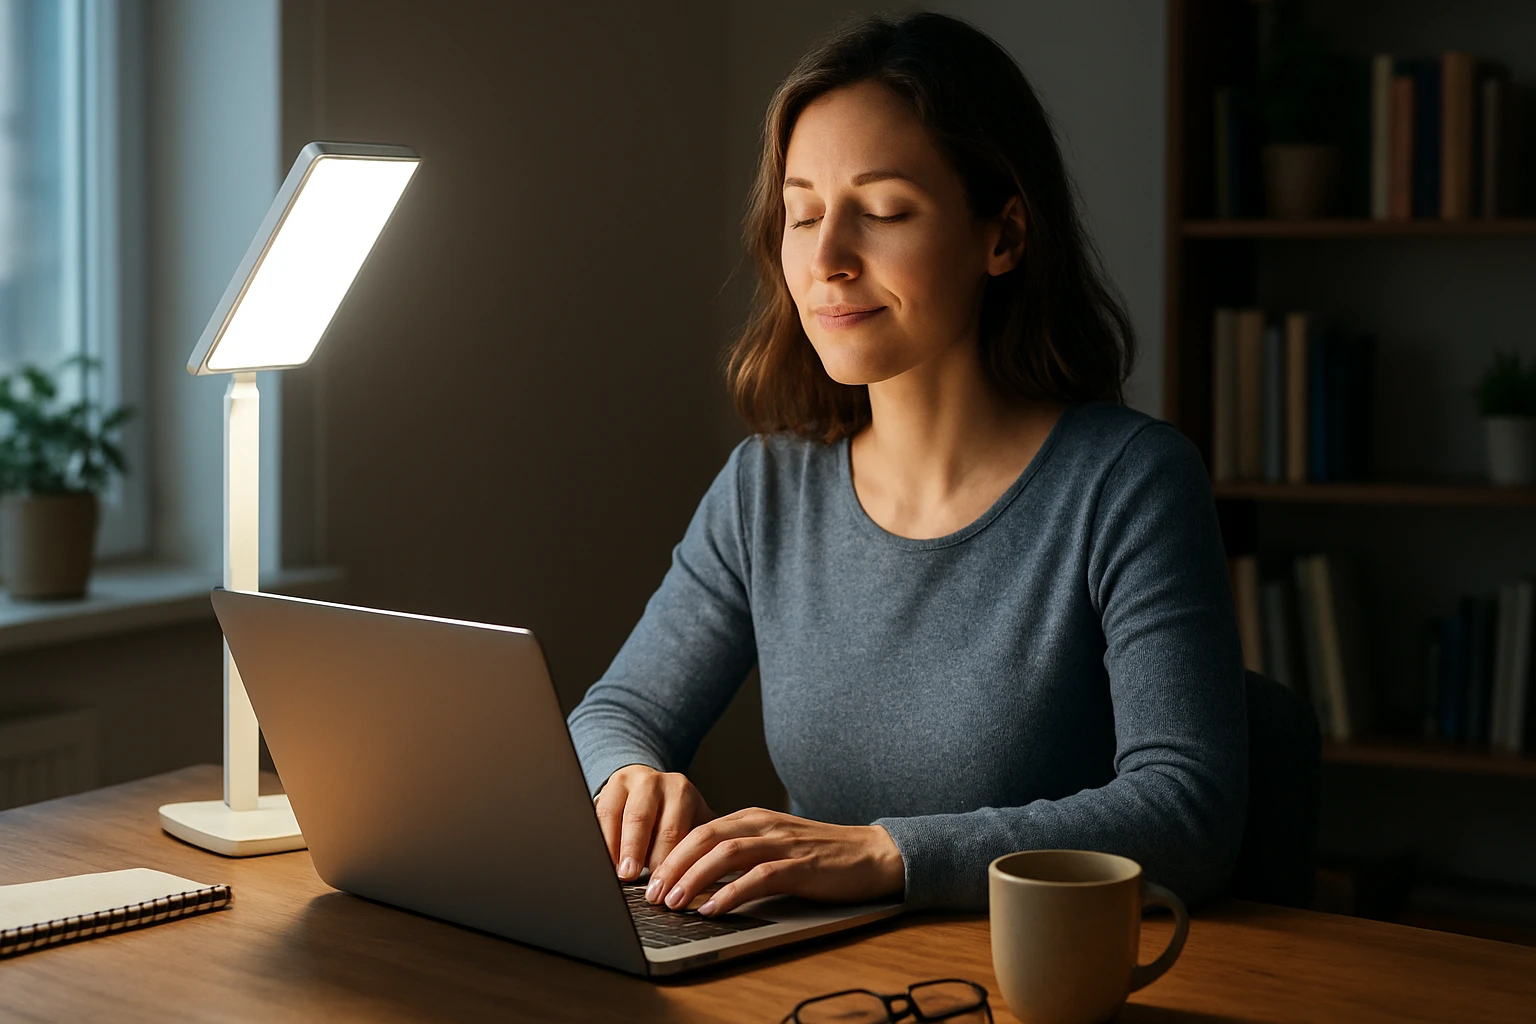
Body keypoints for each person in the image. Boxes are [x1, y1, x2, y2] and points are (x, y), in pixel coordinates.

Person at [566, 11, 1246, 918]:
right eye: (802, 214)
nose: (826, 259)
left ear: (1002, 236)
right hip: (821, 981)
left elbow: (1186, 810)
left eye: (883, 212)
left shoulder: (1128, 482)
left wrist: (888, 853)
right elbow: (611, 714)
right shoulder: (766, 488)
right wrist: (630, 776)